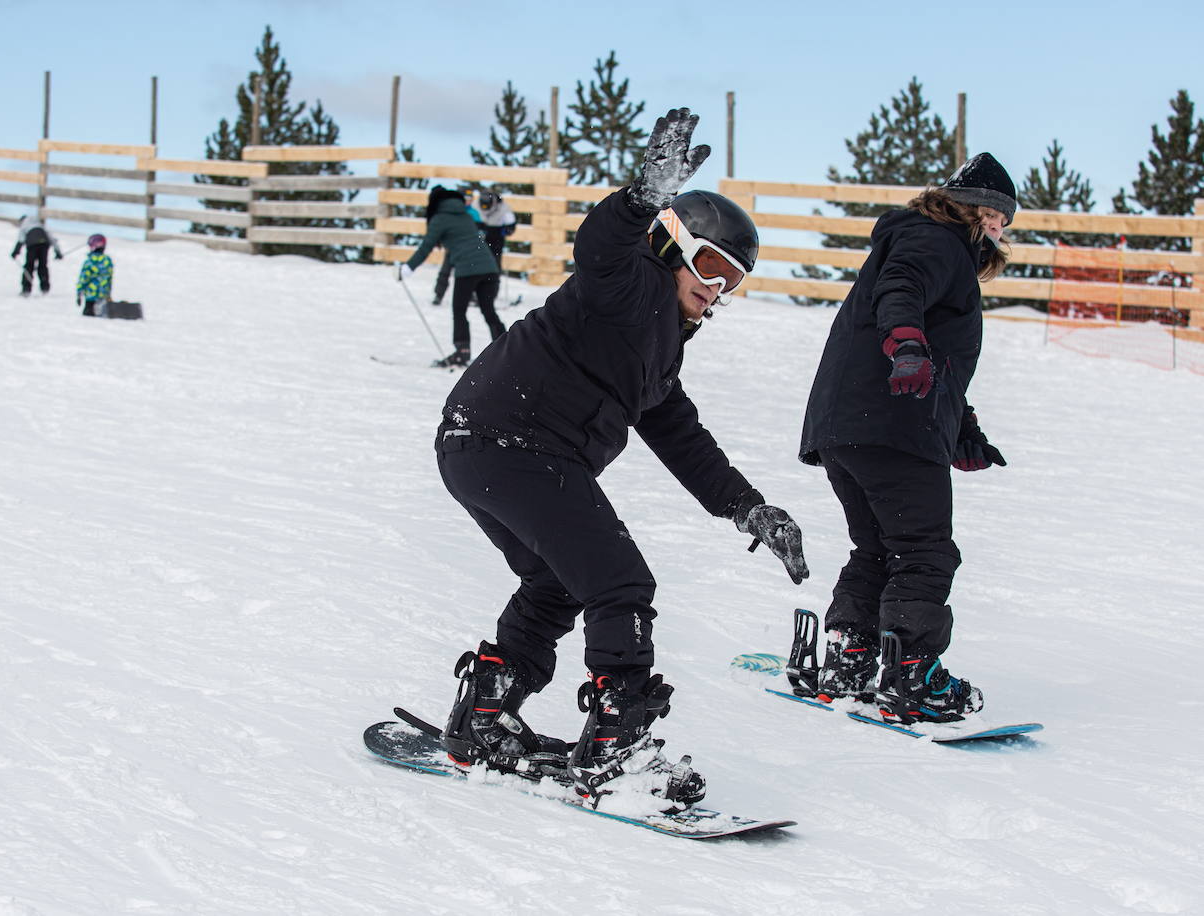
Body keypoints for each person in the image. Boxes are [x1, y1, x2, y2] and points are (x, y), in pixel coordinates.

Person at [432, 108, 809, 812]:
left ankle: (485, 715)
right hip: (512, 441)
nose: (716, 287)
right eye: (710, 265)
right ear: (671, 246)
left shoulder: (660, 348)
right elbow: (599, 247)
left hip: (478, 445)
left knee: (559, 583)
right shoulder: (629, 281)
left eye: (734, 279)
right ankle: (618, 750)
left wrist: (746, 506)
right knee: (619, 583)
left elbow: (683, 438)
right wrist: (641, 197)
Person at [797, 152, 1016, 725]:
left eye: (1005, 222)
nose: (1000, 230)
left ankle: (853, 653)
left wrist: (962, 429)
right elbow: (902, 291)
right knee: (922, 550)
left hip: (849, 426)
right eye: (996, 216)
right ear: (972, 210)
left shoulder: (923, 240)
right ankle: (912, 672)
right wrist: (907, 346)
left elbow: (942, 359)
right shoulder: (935, 241)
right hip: (894, 423)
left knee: (877, 548)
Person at [398, 186, 503, 367]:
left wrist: (408, 268)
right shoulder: (465, 215)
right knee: (488, 310)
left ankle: (462, 352)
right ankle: (506, 349)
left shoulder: (440, 218)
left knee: (459, 310)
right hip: (489, 267)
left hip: (468, 270)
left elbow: (426, 246)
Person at [428, 189, 484, 307]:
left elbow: (479, 231)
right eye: (466, 200)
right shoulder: (454, 213)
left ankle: (471, 295)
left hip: (469, 251)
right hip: (453, 249)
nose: (468, 202)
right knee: (445, 272)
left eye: (470, 200)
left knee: (469, 274)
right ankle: (439, 294)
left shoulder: (474, 214)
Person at [11, 214, 63, 296]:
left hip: (32, 244)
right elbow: (52, 239)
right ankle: (45, 287)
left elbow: (21, 239)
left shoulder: (24, 225)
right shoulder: (40, 225)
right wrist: (58, 252)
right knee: (43, 266)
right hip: (44, 244)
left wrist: (15, 252)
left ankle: (26, 289)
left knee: (29, 265)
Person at [474, 188, 517, 271]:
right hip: (480, 233)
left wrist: (508, 229)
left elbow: (511, 224)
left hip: (496, 235)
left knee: (494, 262)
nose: (485, 209)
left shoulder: (503, 207)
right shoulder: (475, 205)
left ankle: (494, 278)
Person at [76, 234, 113, 316]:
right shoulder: (107, 260)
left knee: (88, 317)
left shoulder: (89, 261)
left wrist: (79, 292)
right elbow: (108, 279)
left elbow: (84, 278)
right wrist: (108, 294)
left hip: (91, 296)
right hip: (103, 296)